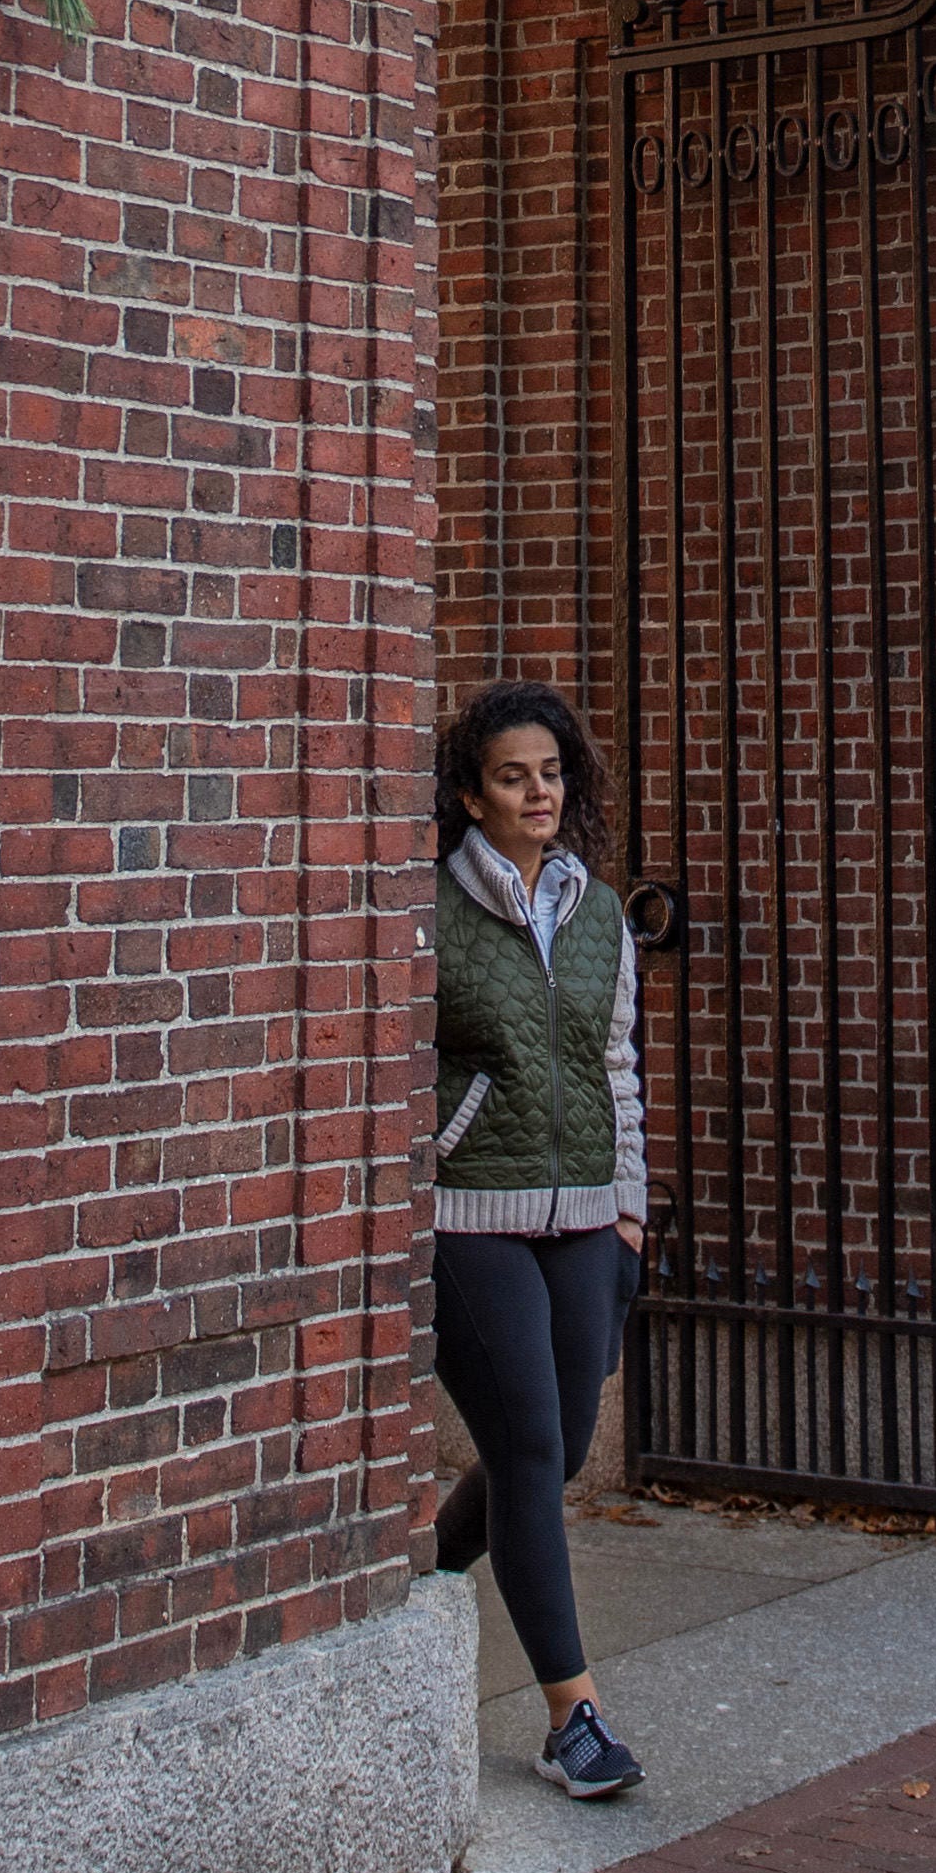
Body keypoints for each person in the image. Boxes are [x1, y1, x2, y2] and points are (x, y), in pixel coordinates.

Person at [422, 684, 652, 1801]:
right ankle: (576, 1716)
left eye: (551, 773)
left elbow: (617, 1070)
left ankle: (422, 1564)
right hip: (473, 1215)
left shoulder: (596, 911)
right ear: (471, 792)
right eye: (513, 776)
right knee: (525, 1446)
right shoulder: (432, 909)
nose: (538, 793)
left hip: (583, 1215)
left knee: (553, 1451)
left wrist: (631, 1208)